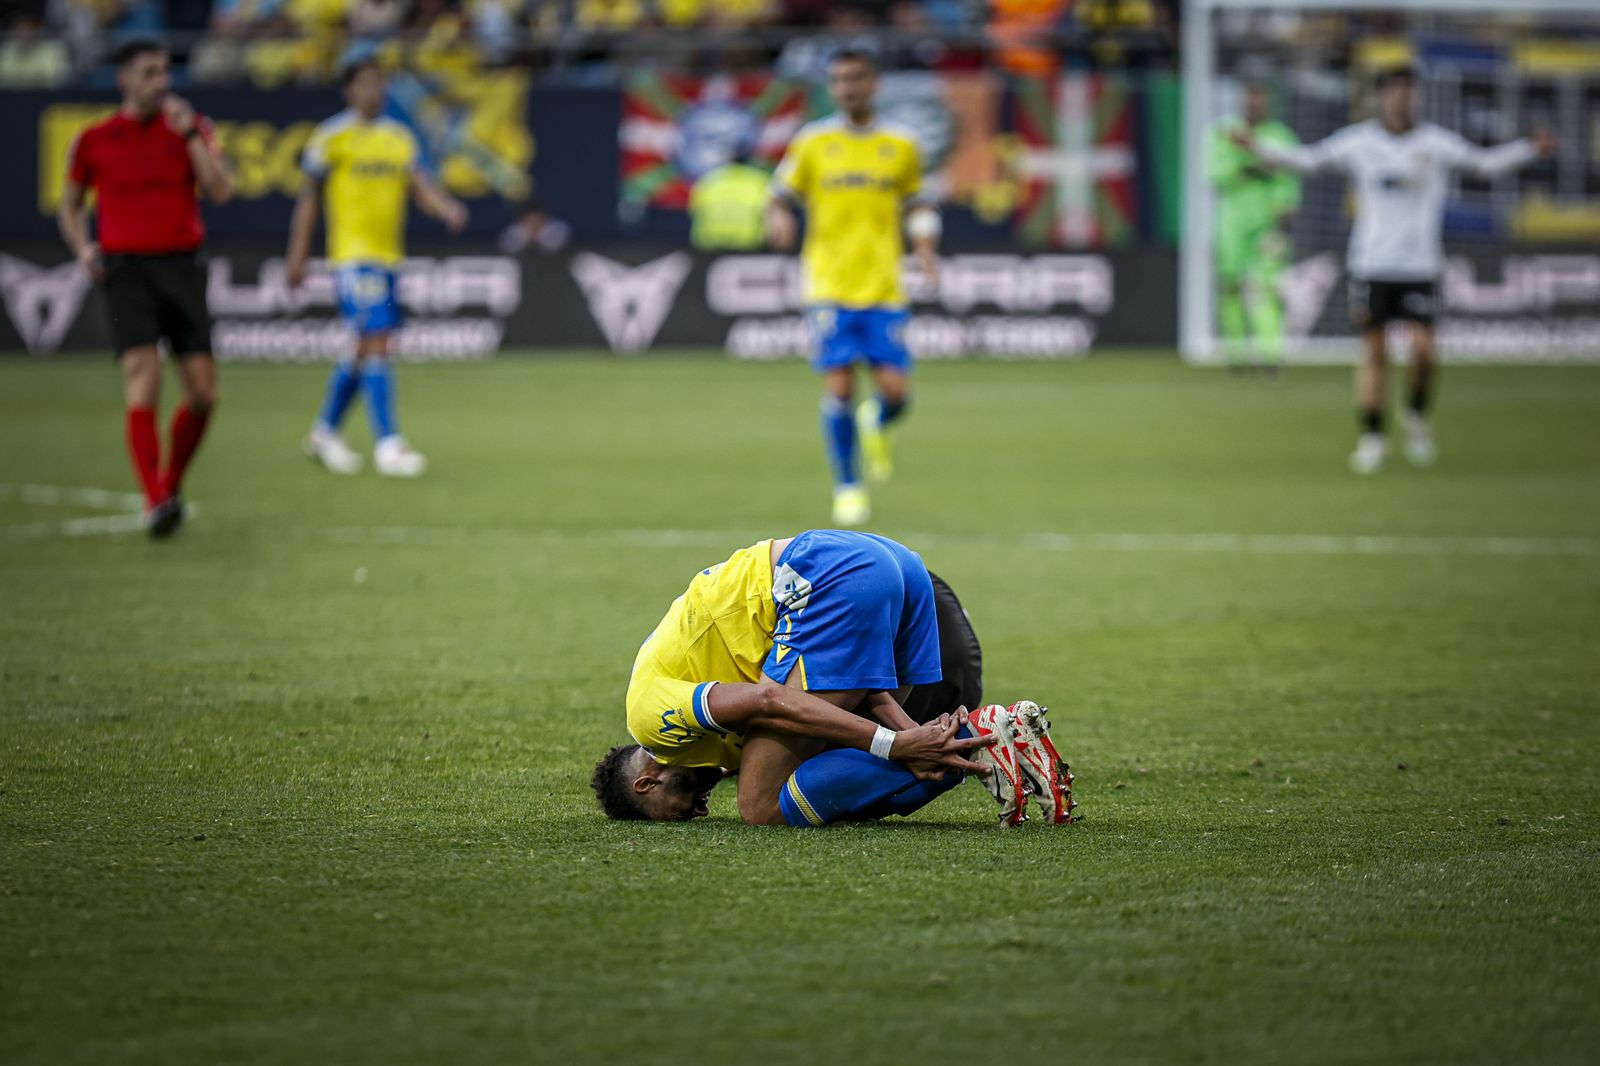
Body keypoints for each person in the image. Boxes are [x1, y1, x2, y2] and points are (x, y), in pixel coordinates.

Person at [589, 529, 1076, 827]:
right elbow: (849, 696)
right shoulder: (715, 750)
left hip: (827, 572)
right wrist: (909, 733)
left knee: (760, 806)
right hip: (895, 566)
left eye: (677, 812)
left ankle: (975, 736)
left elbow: (768, 700)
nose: (698, 812)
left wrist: (892, 744)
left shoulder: (652, 719)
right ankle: (991, 742)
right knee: (826, 759)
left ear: (646, 785)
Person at [1235, 65, 1555, 473]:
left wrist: (1530, 149)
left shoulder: (1435, 143)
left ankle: (1417, 416)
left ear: (1416, 96)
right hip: (1371, 264)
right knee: (1374, 350)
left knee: (1423, 351)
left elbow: (1483, 165)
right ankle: (1372, 437)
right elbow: (1309, 159)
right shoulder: (1360, 143)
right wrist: (1259, 147)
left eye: (1408, 91)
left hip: (1421, 265)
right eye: (1393, 90)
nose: (1401, 98)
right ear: (1381, 97)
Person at [57, 38, 233, 538]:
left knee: (203, 392)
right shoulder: (94, 140)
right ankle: (154, 500)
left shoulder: (191, 129)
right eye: (151, 73)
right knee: (143, 375)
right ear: (125, 80)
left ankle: (171, 483)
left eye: (164, 73)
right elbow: (69, 206)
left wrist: (192, 136)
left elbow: (221, 191)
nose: (162, 83)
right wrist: (82, 248)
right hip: (126, 270)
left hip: (182, 266)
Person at [767, 48, 941, 527]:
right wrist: (779, 219)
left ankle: (877, 420)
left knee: (896, 391)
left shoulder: (901, 145)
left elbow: (918, 203)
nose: (847, 88)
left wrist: (925, 246)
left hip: (884, 285)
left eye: (856, 79)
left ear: (873, 83)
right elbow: (779, 195)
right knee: (839, 383)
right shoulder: (813, 142)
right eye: (839, 80)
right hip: (827, 282)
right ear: (832, 87)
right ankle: (847, 485)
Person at [286, 57, 468, 478]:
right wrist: (298, 255)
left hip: (388, 257)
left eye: (381, 83)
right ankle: (389, 444)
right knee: (378, 339)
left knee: (364, 347)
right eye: (367, 83)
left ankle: (324, 431)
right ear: (349, 90)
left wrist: (445, 207)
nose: (377, 90)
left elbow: (420, 187)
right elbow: (308, 200)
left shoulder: (398, 138)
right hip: (351, 256)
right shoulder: (331, 137)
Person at [1209, 80, 1300, 372]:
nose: (1255, 102)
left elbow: (1288, 180)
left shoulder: (1282, 136)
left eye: (1260, 96)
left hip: (1267, 223)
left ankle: (1271, 354)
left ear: (1268, 100)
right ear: (1242, 99)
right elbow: (1216, 174)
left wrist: (1283, 214)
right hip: (1231, 223)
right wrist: (1259, 167)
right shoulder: (1222, 133)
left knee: (1267, 288)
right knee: (1230, 286)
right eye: (1250, 95)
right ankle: (1235, 354)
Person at [688, 146, 770, 251]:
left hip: (708, 244)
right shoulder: (761, 181)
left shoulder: (707, 180)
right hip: (748, 245)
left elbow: (693, 211)